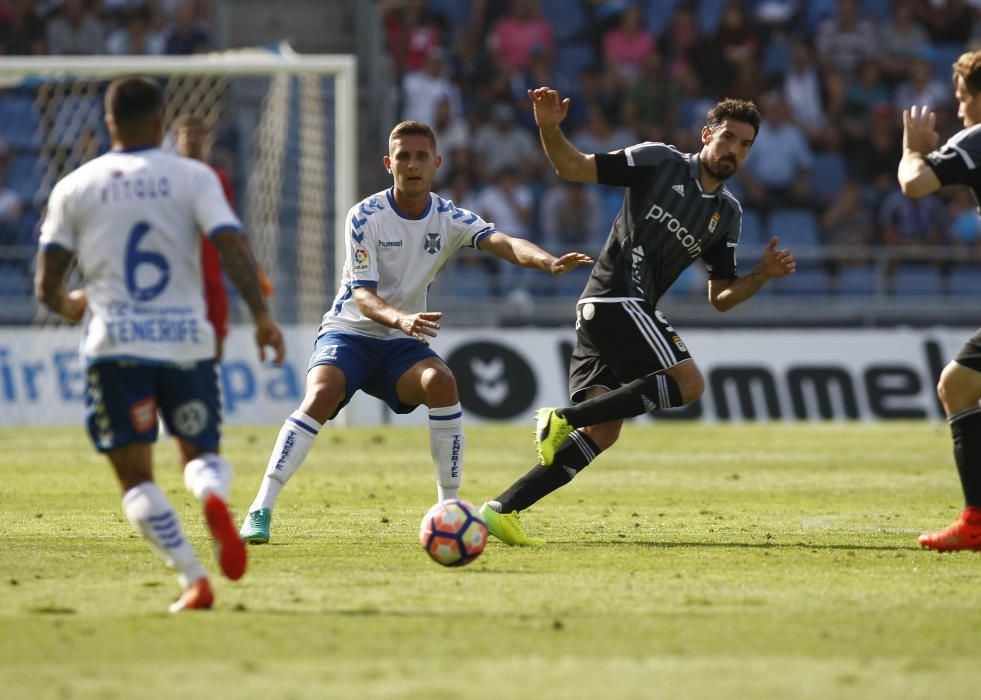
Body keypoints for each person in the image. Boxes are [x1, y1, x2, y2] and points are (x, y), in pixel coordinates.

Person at [238, 120, 593, 545]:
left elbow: (503, 241)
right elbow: (364, 297)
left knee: (442, 383)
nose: (412, 164)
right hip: (350, 332)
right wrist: (403, 319)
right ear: (389, 164)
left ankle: (448, 509)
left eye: (421, 156)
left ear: (436, 164)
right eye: (403, 156)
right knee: (321, 392)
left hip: (400, 344)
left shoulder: (448, 217)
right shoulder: (365, 216)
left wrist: (547, 262)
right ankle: (261, 506)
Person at [478, 87, 797, 546]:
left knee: (604, 431)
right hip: (617, 299)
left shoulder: (727, 214)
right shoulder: (659, 161)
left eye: (745, 145)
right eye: (728, 138)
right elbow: (573, 167)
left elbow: (721, 296)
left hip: (608, 314)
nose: (735, 151)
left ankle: (501, 509)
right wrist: (549, 128)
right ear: (706, 134)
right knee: (689, 385)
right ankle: (563, 416)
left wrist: (762, 275)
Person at [35, 76, 285, 611]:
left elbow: (46, 284)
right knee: (199, 454)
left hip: (116, 344)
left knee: (136, 479)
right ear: (161, 118)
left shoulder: (75, 186)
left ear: (108, 123)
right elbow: (233, 248)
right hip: (186, 341)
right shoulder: (194, 177)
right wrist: (262, 316)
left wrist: (70, 303)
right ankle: (212, 494)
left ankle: (193, 579)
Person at [898, 50, 981, 551]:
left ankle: (976, 521)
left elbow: (914, 184)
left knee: (957, 384)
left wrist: (912, 149)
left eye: (963, 97)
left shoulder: (977, 139)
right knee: (961, 383)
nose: (959, 108)